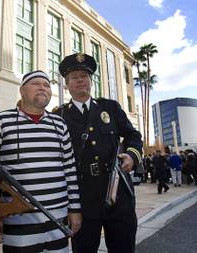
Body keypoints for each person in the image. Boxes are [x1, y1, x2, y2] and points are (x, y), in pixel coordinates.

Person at [53, 53, 143, 253]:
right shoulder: (59, 116)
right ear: (67, 85)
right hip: (83, 201)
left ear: (90, 81)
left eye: (84, 76)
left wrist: (131, 155)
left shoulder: (109, 108)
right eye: (74, 77)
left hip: (118, 195)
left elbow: (133, 135)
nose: (80, 80)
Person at [0, 70, 82, 252]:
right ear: (22, 90)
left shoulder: (59, 124)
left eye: (47, 85)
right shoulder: (2, 121)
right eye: (36, 83)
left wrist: (75, 209)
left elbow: (70, 170)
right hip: (18, 217)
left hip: (58, 217)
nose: (43, 88)